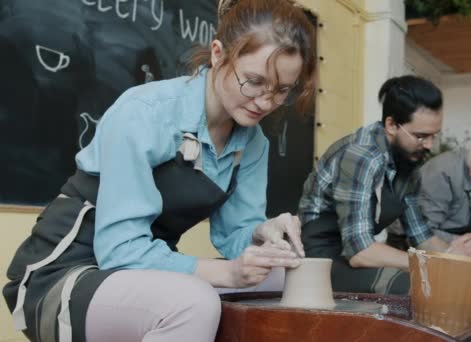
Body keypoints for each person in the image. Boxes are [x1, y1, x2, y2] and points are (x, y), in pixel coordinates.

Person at [3, 0, 316, 341]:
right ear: (217, 54)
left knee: (279, 277)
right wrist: (227, 273)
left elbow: (234, 238)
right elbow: (120, 250)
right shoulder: (145, 112)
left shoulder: (253, 143)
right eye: (254, 81)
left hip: (142, 272)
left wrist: (262, 235)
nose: (265, 102)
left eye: (282, 90)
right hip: (65, 272)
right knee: (194, 303)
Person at [298, 75, 471, 295]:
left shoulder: (407, 161)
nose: (429, 145)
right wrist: (440, 261)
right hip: (319, 259)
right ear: (391, 125)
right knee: (425, 287)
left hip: (353, 255)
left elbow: (421, 236)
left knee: (457, 279)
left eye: (434, 136)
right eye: (421, 136)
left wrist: (455, 256)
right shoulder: (361, 157)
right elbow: (360, 251)